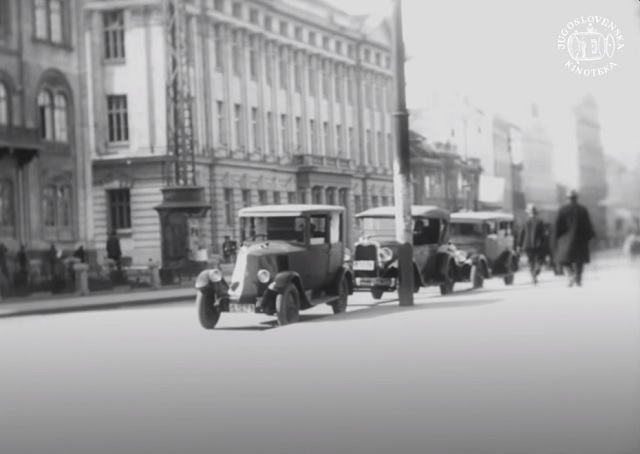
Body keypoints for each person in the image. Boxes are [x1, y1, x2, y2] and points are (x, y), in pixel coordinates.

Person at [553, 189, 596, 287]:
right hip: (580, 239)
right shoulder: (582, 209)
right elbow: (587, 225)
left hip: (565, 239)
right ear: (576, 197)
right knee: (579, 260)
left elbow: (557, 226)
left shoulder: (562, 209)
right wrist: (591, 235)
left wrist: (556, 237)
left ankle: (570, 274)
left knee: (564, 259)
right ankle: (578, 278)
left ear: (568, 198)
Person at [518, 204, 546, 285]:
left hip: (527, 245)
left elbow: (522, 234)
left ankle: (533, 276)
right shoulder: (540, 222)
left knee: (531, 261)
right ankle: (536, 271)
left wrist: (519, 245)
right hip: (538, 244)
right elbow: (543, 234)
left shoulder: (526, 222)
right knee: (538, 259)